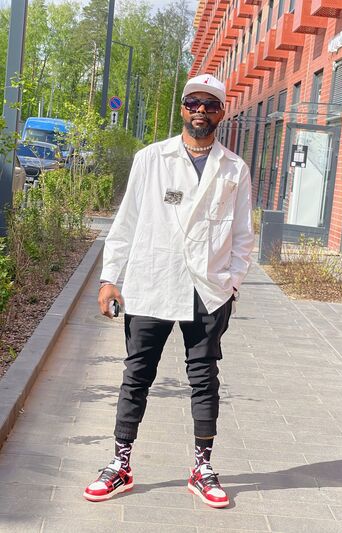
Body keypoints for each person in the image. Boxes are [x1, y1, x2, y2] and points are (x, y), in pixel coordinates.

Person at [83, 74, 254, 508]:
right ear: (182, 108)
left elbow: (243, 236)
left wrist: (231, 283)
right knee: (137, 374)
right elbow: (125, 222)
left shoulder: (234, 168)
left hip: (207, 289)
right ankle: (120, 463)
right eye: (193, 102)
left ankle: (203, 467)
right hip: (153, 280)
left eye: (209, 105)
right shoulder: (151, 158)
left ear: (221, 112)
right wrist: (109, 278)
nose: (201, 111)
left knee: (204, 377)